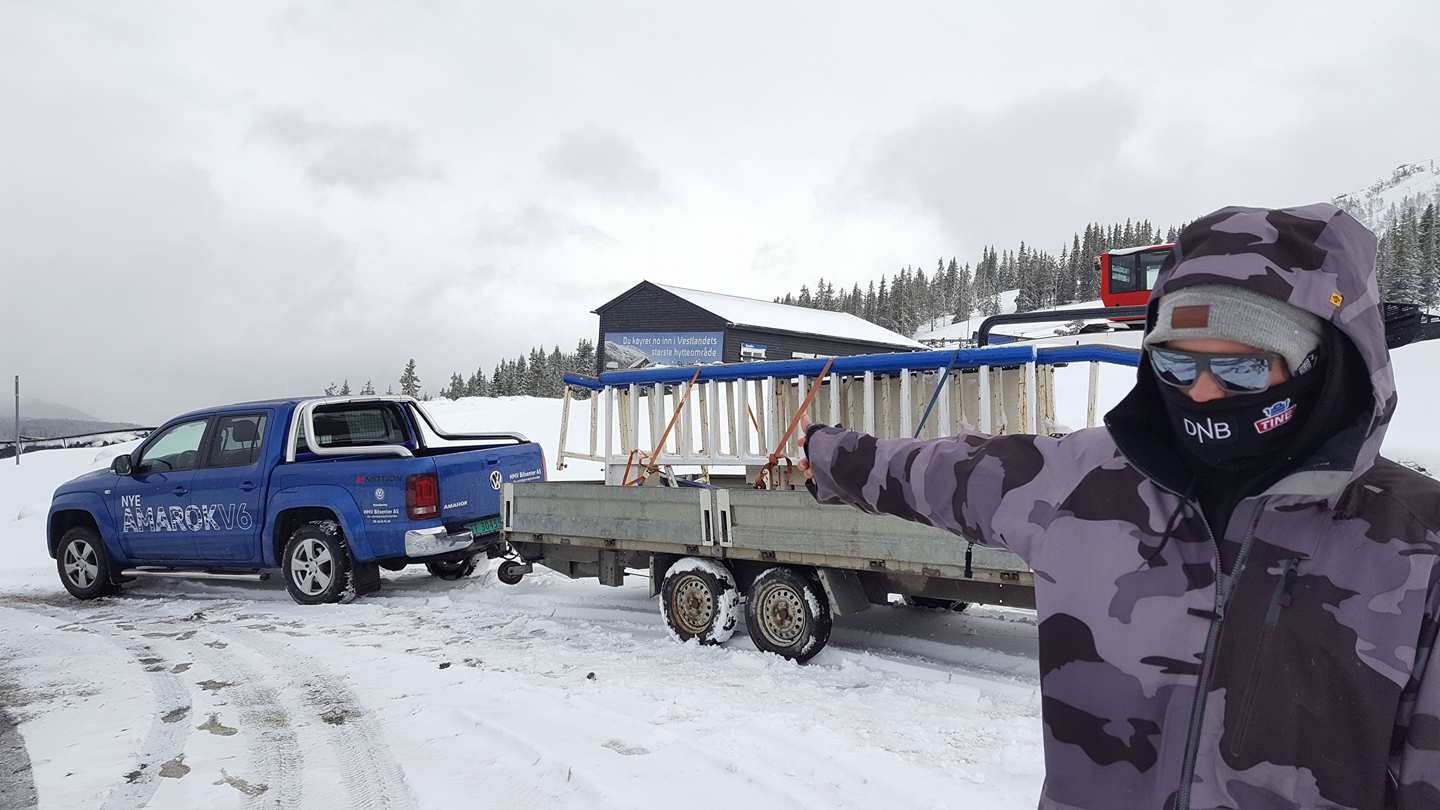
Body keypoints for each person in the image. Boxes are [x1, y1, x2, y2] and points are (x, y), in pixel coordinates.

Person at [798, 203, 1440, 809]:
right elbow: (942, 474)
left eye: (1241, 371)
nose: (1202, 394)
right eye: (1176, 365)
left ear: (1320, 366)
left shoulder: (1418, 548)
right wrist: (827, 454)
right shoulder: (1085, 481)